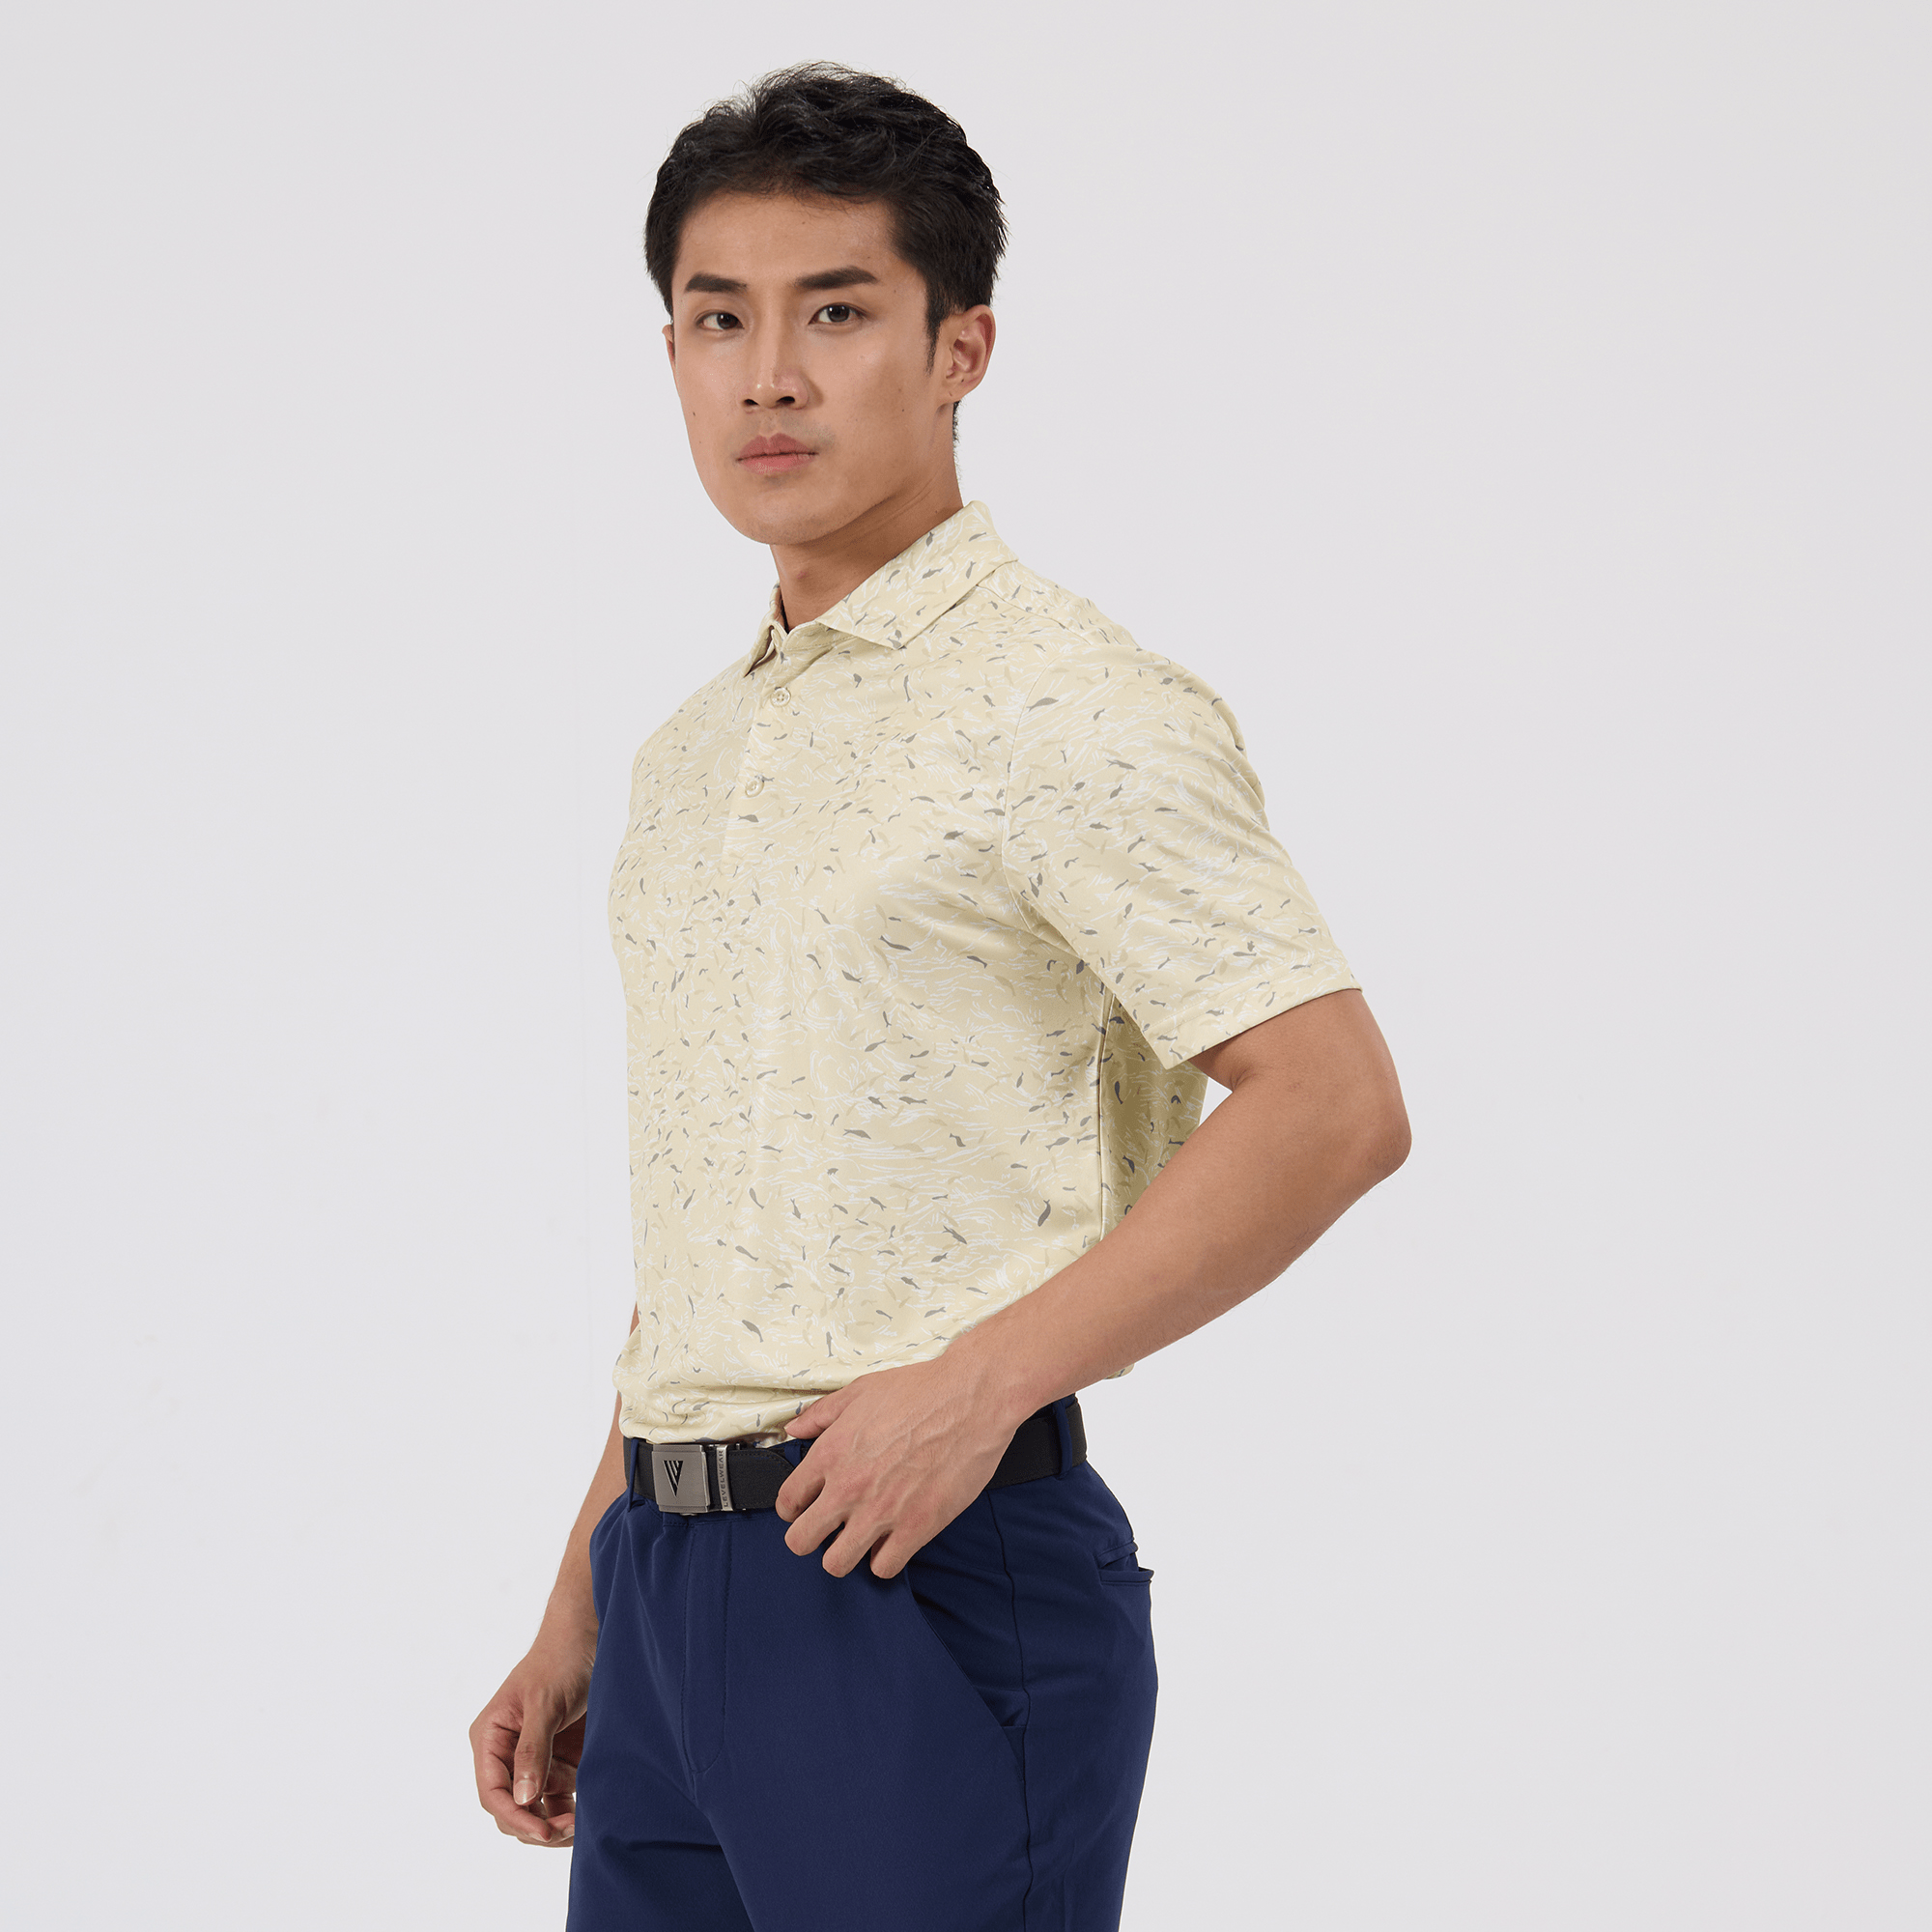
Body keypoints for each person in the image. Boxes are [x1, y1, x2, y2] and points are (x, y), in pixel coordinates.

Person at [469, 59, 1411, 1932]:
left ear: (959, 347)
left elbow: (1332, 1100)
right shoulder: (693, 756)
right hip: (669, 1585)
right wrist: (586, 1585)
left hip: (921, 1566)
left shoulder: (1064, 701)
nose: (769, 376)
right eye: (718, 320)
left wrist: (976, 1390)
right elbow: (727, 1210)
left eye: (836, 313)